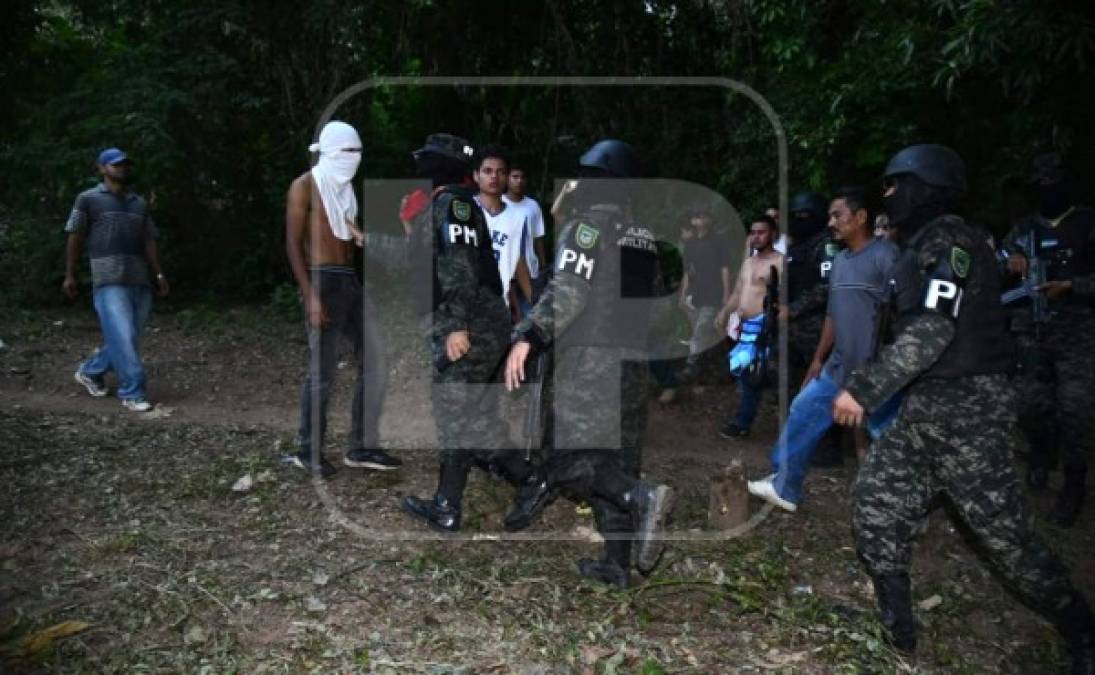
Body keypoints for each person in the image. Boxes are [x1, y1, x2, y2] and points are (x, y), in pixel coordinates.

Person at [831, 144, 1094, 670]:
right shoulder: (926, 242)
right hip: (928, 406)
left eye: (893, 186)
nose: (887, 198)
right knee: (875, 505)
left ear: (922, 188)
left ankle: (1081, 629)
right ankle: (897, 627)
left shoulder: (950, 240)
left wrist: (864, 389)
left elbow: (933, 328)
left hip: (968, 411)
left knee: (1006, 539)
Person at [502, 139, 674, 589]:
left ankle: (641, 497)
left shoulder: (585, 229)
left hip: (591, 362)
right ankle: (617, 563)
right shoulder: (643, 238)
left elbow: (569, 292)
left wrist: (530, 336)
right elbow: (657, 305)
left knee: (570, 458)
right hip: (632, 362)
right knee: (619, 456)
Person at [399, 133, 537, 532]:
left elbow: (457, 267)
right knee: (474, 418)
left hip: (471, 325)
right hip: (478, 323)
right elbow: (424, 265)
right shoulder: (445, 204)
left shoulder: (453, 203)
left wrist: (456, 326)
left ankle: (447, 506)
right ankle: (532, 479)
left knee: (455, 412)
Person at [748, 187, 898, 511]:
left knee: (891, 434)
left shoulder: (886, 257)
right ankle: (785, 487)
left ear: (860, 217)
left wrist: (888, 362)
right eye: (829, 215)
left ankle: (912, 503)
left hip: (877, 369)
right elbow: (833, 312)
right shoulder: (841, 261)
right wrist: (819, 358)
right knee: (802, 411)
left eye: (838, 215)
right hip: (838, 365)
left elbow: (899, 313)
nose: (831, 222)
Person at [282, 121, 400, 478]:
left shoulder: (346, 190)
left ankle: (362, 446)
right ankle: (308, 451)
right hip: (322, 280)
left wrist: (363, 239)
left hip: (349, 281)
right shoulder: (304, 186)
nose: (353, 159)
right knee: (323, 371)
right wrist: (310, 295)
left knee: (376, 360)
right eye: (347, 152)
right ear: (330, 151)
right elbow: (291, 243)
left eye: (357, 152)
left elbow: (349, 236)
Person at [1001, 152, 1095, 526]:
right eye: (1040, 184)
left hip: (1077, 332)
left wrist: (1074, 286)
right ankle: (1042, 454)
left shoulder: (1087, 223)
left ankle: (1074, 483)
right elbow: (997, 258)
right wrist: (1011, 261)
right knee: (1029, 405)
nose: (1046, 190)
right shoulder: (1024, 229)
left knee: (1075, 411)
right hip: (1033, 332)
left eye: (1052, 182)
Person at [65, 147, 169, 413]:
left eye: (124, 164)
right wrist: (70, 274)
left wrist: (158, 273)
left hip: (139, 278)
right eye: (115, 165)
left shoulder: (139, 203)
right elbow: (74, 235)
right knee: (123, 335)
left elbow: (149, 240)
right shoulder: (88, 199)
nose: (121, 168)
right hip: (108, 278)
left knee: (127, 338)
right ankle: (132, 392)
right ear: (101, 168)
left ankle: (90, 370)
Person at [713, 215, 783, 438]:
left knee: (762, 375)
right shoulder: (748, 263)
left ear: (772, 234)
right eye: (753, 232)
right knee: (747, 375)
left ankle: (749, 422)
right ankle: (744, 421)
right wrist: (724, 312)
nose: (756, 236)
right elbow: (737, 293)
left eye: (761, 232)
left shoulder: (781, 262)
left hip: (765, 326)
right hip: (744, 327)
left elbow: (784, 297)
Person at [472, 145, 534, 321]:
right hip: (465, 308)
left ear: (507, 177)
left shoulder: (517, 218)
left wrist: (533, 303)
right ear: (476, 175)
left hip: (498, 309)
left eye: (500, 172)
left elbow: (517, 260)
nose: (494, 176)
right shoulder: (464, 210)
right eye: (488, 171)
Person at [678, 210, 732, 382]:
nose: (699, 219)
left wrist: (726, 293)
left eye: (703, 216)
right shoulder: (691, 244)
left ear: (709, 219)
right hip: (696, 294)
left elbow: (725, 268)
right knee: (707, 334)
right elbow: (688, 271)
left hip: (714, 293)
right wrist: (683, 294)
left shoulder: (718, 241)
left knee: (701, 331)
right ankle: (724, 368)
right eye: (696, 216)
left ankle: (690, 366)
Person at [503, 160, 548, 312]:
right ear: (507, 179)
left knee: (531, 312)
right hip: (505, 270)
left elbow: (538, 237)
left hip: (530, 269)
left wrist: (543, 265)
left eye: (522, 177)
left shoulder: (533, 206)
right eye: (515, 177)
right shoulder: (498, 202)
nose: (519, 181)